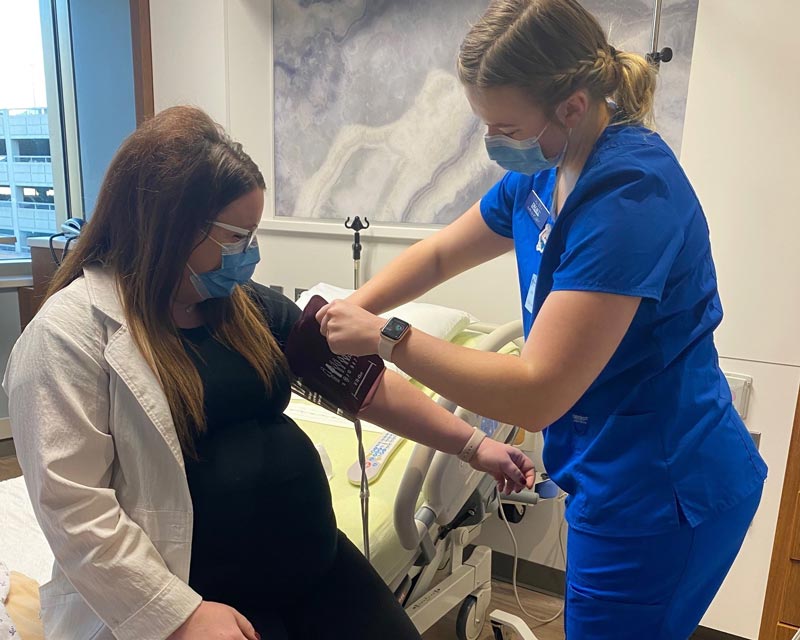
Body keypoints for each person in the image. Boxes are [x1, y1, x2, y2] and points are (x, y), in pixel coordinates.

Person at [315, 1, 768, 638]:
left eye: (503, 125)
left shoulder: (629, 198)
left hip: (662, 488)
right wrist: (360, 303)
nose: (493, 142)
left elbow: (537, 394)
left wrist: (387, 337)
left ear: (572, 107)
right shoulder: (545, 170)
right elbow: (445, 250)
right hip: (610, 466)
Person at [2, 106, 533, 640]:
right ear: (167, 227)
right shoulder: (68, 338)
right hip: (201, 596)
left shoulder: (243, 306)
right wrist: (179, 614)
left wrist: (473, 446)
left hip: (316, 566)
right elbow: (74, 507)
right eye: (235, 237)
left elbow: (366, 390)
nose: (249, 254)